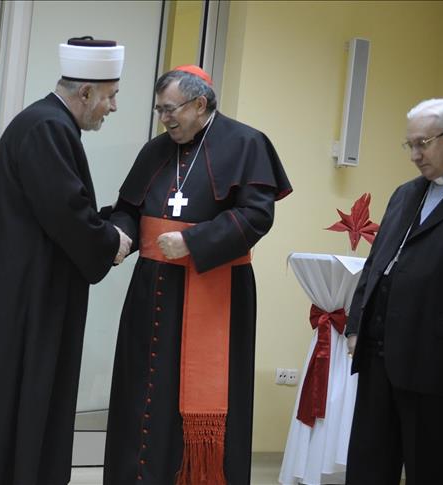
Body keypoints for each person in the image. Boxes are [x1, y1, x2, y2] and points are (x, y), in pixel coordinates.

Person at [0, 37, 131, 485]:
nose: (113, 107)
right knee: (2, 399)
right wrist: (110, 241)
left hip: (13, 285)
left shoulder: (45, 122)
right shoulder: (47, 127)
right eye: (110, 96)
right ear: (85, 92)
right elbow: (65, 211)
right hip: (19, 295)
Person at [104, 66, 292, 485]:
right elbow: (128, 208)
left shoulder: (246, 143)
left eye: (170, 109)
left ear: (200, 104)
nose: (164, 119)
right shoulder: (156, 150)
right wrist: (120, 235)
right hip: (152, 288)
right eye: (159, 110)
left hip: (215, 290)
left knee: (196, 396)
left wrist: (194, 241)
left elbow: (257, 215)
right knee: (142, 389)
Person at [344, 98, 443, 484]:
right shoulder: (406, 193)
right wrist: (356, 325)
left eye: (423, 144)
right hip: (379, 354)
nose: (415, 155)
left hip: (437, 361)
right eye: (410, 145)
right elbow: (376, 264)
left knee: (429, 469)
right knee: (368, 465)